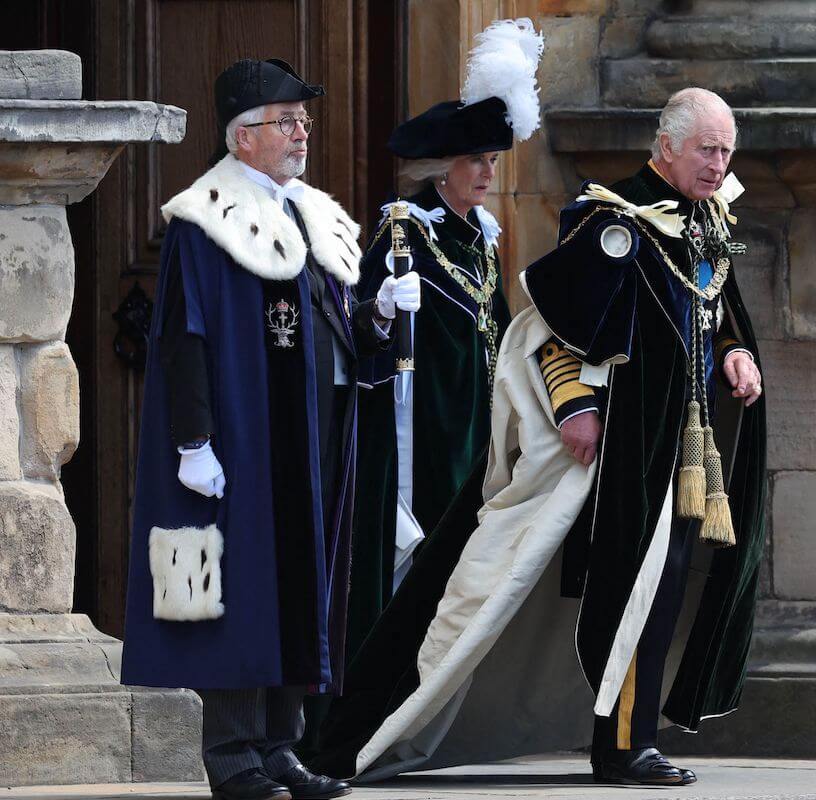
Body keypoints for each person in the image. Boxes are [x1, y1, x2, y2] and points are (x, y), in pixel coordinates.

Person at [304, 87, 767, 789]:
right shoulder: (610, 218)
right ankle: (362, 734)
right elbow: (551, 326)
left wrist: (736, 352)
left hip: (677, 447)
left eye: (727, 150)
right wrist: (575, 407)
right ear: (667, 146)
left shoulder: (707, 222)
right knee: (523, 578)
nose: (718, 163)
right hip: (609, 452)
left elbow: (715, 307)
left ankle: (627, 743)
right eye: (708, 148)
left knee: (661, 592)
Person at [119, 58, 419, 800]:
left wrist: (378, 310)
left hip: (311, 433)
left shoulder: (307, 212)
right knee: (242, 588)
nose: (301, 133)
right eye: (287, 121)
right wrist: (193, 442)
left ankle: (282, 745)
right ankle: (233, 756)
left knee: (299, 582)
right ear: (243, 136)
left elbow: (334, 327)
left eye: (303, 121)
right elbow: (184, 336)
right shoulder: (203, 217)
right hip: (244, 435)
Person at [339, 18, 541, 667]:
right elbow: (353, 326)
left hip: (476, 433)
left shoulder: (479, 238)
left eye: (491, 159)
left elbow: (502, 331)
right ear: (442, 166)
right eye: (475, 160)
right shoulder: (405, 236)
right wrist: (378, 309)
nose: (486, 172)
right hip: (422, 434)